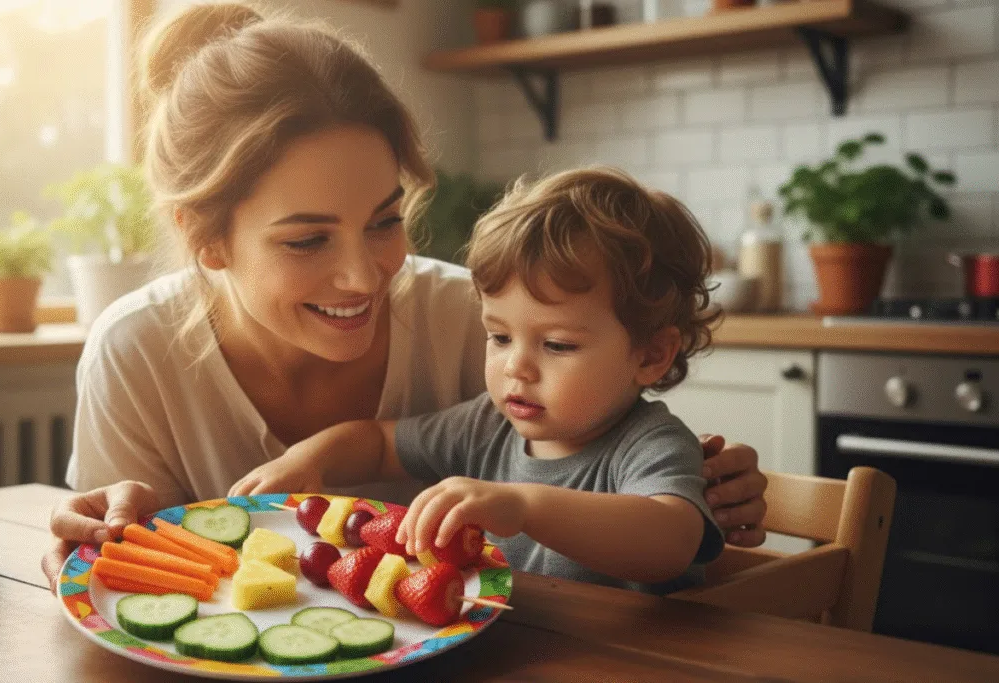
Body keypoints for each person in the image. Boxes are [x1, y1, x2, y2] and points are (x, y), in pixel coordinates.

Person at [40, 2, 768, 590]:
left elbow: (626, 476)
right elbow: (121, 583)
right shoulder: (136, 349)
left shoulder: (470, 319)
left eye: (386, 220)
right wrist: (101, 539)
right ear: (206, 237)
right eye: (307, 240)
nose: (365, 276)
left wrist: (711, 490)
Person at [231, 167, 726, 593]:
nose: (517, 367)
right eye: (499, 337)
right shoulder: (486, 427)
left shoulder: (652, 444)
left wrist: (523, 506)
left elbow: (672, 540)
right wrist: (308, 458)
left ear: (653, 354)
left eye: (557, 345)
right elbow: (378, 442)